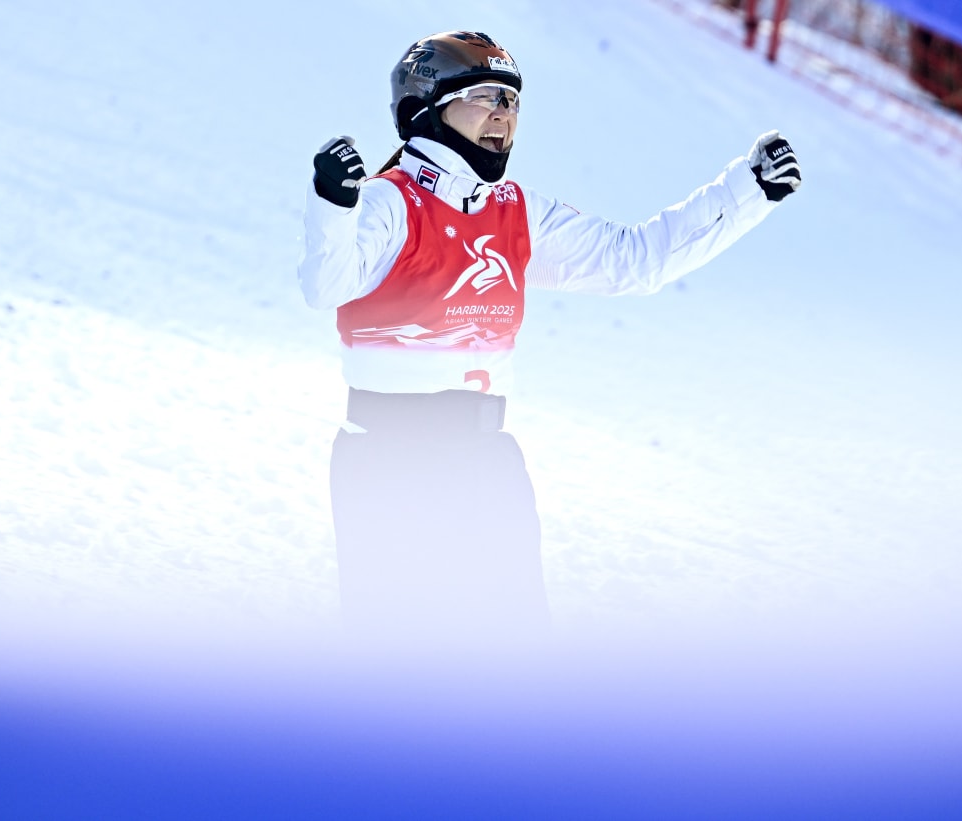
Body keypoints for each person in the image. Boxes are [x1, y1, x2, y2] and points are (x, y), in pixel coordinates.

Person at [298, 31, 800, 643]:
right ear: (424, 108)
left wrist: (749, 190)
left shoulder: (516, 211)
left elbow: (633, 261)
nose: (503, 114)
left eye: (512, 100)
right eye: (484, 96)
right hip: (389, 460)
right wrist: (333, 202)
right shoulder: (387, 203)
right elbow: (327, 286)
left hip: (486, 459)